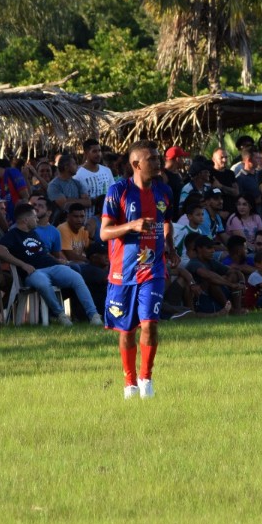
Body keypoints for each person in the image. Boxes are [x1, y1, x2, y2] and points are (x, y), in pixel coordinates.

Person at [100, 140, 179, 399]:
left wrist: (171, 247)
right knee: (127, 330)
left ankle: (146, 379)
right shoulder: (118, 191)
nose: (158, 163)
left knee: (150, 324)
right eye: (152, 159)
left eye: (158, 158)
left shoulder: (164, 191)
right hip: (122, 271)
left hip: (153, 268)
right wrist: (131, 226)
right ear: (136, 164)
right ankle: (129, 383)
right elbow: (104, 232)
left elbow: (166, 223)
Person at [0, 202, 102, 327]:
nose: (37, 219)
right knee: (42, 282)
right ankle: (60, 315)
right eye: (34, 217)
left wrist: (60, 262)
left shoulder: (33, 233)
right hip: (34, 272)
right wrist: (23, 265)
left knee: (76, 277)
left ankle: (93, 315)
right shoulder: (13, 234)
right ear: (25, 220)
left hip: (52, 266)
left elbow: (44, 253)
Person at [74, 139, 115, 224]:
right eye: (94, 151)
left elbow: (113, 193)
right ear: (86, 153)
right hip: (86, 223)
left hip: (107, 220)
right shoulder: (78, 175)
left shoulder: (107, 171)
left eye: (99, 151)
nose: (98, 154)